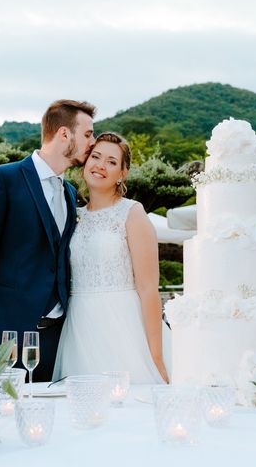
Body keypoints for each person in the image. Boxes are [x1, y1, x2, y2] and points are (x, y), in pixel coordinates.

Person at [0, 99, 96, 382]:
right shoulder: (3, 179)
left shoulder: (69, 193)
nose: (92, 142)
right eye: (87, 134)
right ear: (63, 134)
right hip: (7, 338)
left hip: (58, 339)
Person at [53, 132, 170, 384]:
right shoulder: (72, 214)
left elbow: (149, 289)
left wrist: (156, 356)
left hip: (123, 325)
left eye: (111, 161)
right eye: (95, 157)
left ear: (122, 173)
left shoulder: (132, 213)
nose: (100, 165)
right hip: (79, 327)